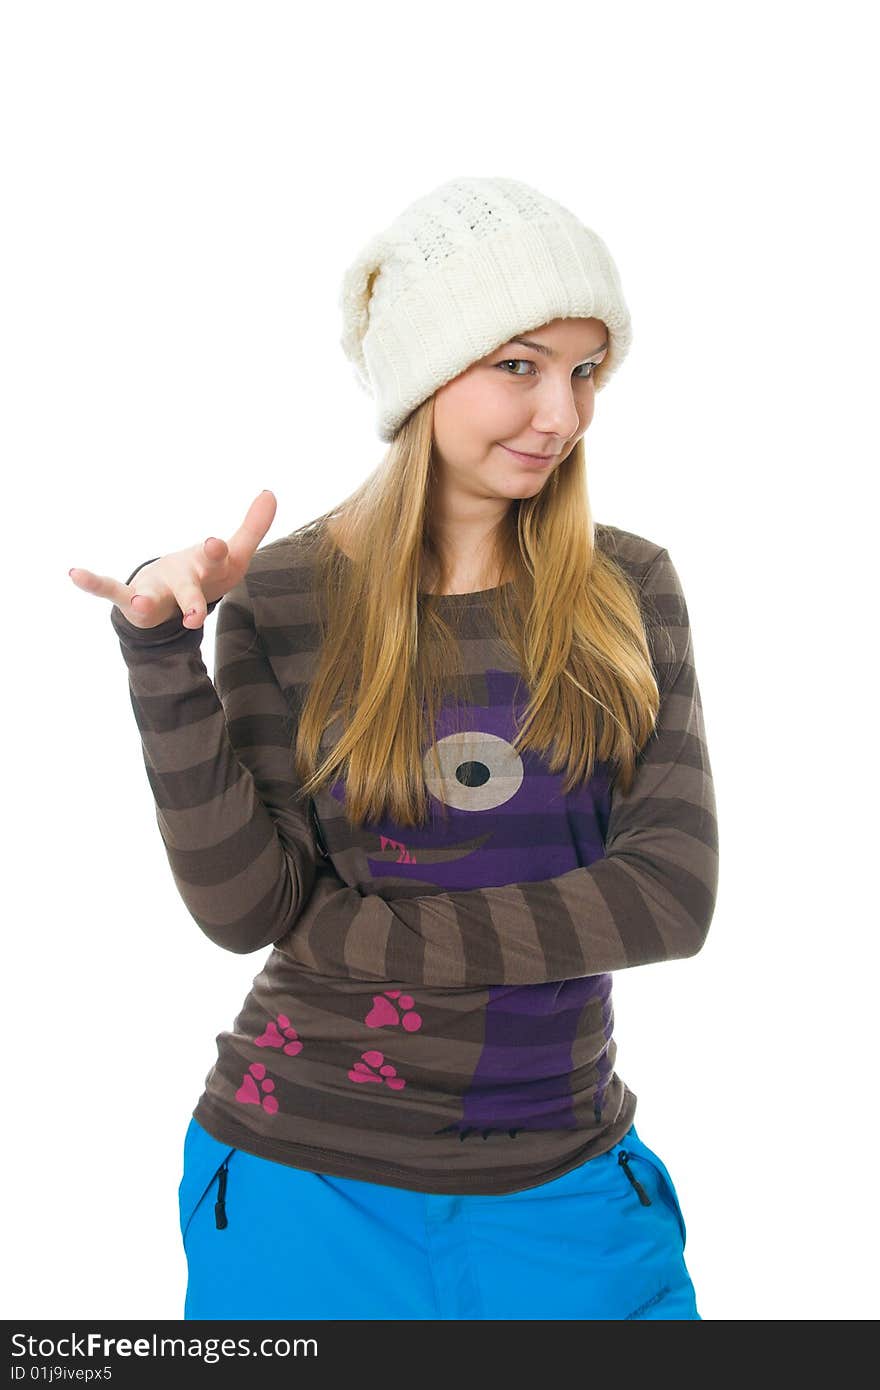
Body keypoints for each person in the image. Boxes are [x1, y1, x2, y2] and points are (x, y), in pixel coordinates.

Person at [69, 175, 719, 1321]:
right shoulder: (285, 596)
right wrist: (162, 658)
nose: (559, 415)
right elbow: (245, 909)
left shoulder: (628, 587)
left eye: (582, 371)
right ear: (425, 379)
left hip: (566, 1185)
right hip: (301, 1175)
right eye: (518, 366)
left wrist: (353, 929)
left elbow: (668, 897)